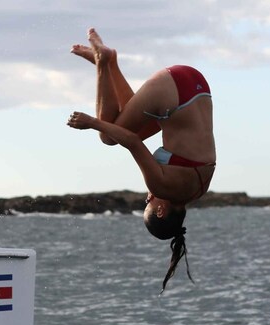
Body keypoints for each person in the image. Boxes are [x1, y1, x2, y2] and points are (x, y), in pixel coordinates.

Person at [67, 28, 215, 291]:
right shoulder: (163, 188)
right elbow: (132, 142)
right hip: (175, 90)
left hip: (196, 86)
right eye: (147, 203)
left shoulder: (197, 191)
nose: (147, 197)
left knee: (130, 123)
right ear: (160, 209)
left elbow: (137, 131)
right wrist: (91, 123)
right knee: (108, 136)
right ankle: (103, 63)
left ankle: (110, 63)